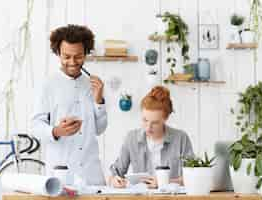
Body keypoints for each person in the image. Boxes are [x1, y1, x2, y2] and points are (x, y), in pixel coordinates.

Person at [31, 24, 107, 185]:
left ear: (86, 53)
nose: (72, 62)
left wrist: (99, 100)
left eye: (78, 56)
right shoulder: (48, 85)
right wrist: (56, 131)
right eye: (66, 56)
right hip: (61, 173)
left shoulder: (93, 85)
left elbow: (99, 129)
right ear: (58, 53)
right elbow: (36, 126)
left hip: (91, 173)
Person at [109, 86, 194, 188]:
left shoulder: (181, 138)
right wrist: (114, 180)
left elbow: (192, 177)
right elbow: (115, 173)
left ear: (166, 118)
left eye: (155, 123)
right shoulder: (131, 138)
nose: (148, 128)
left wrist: (165, 183)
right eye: (145, 120)